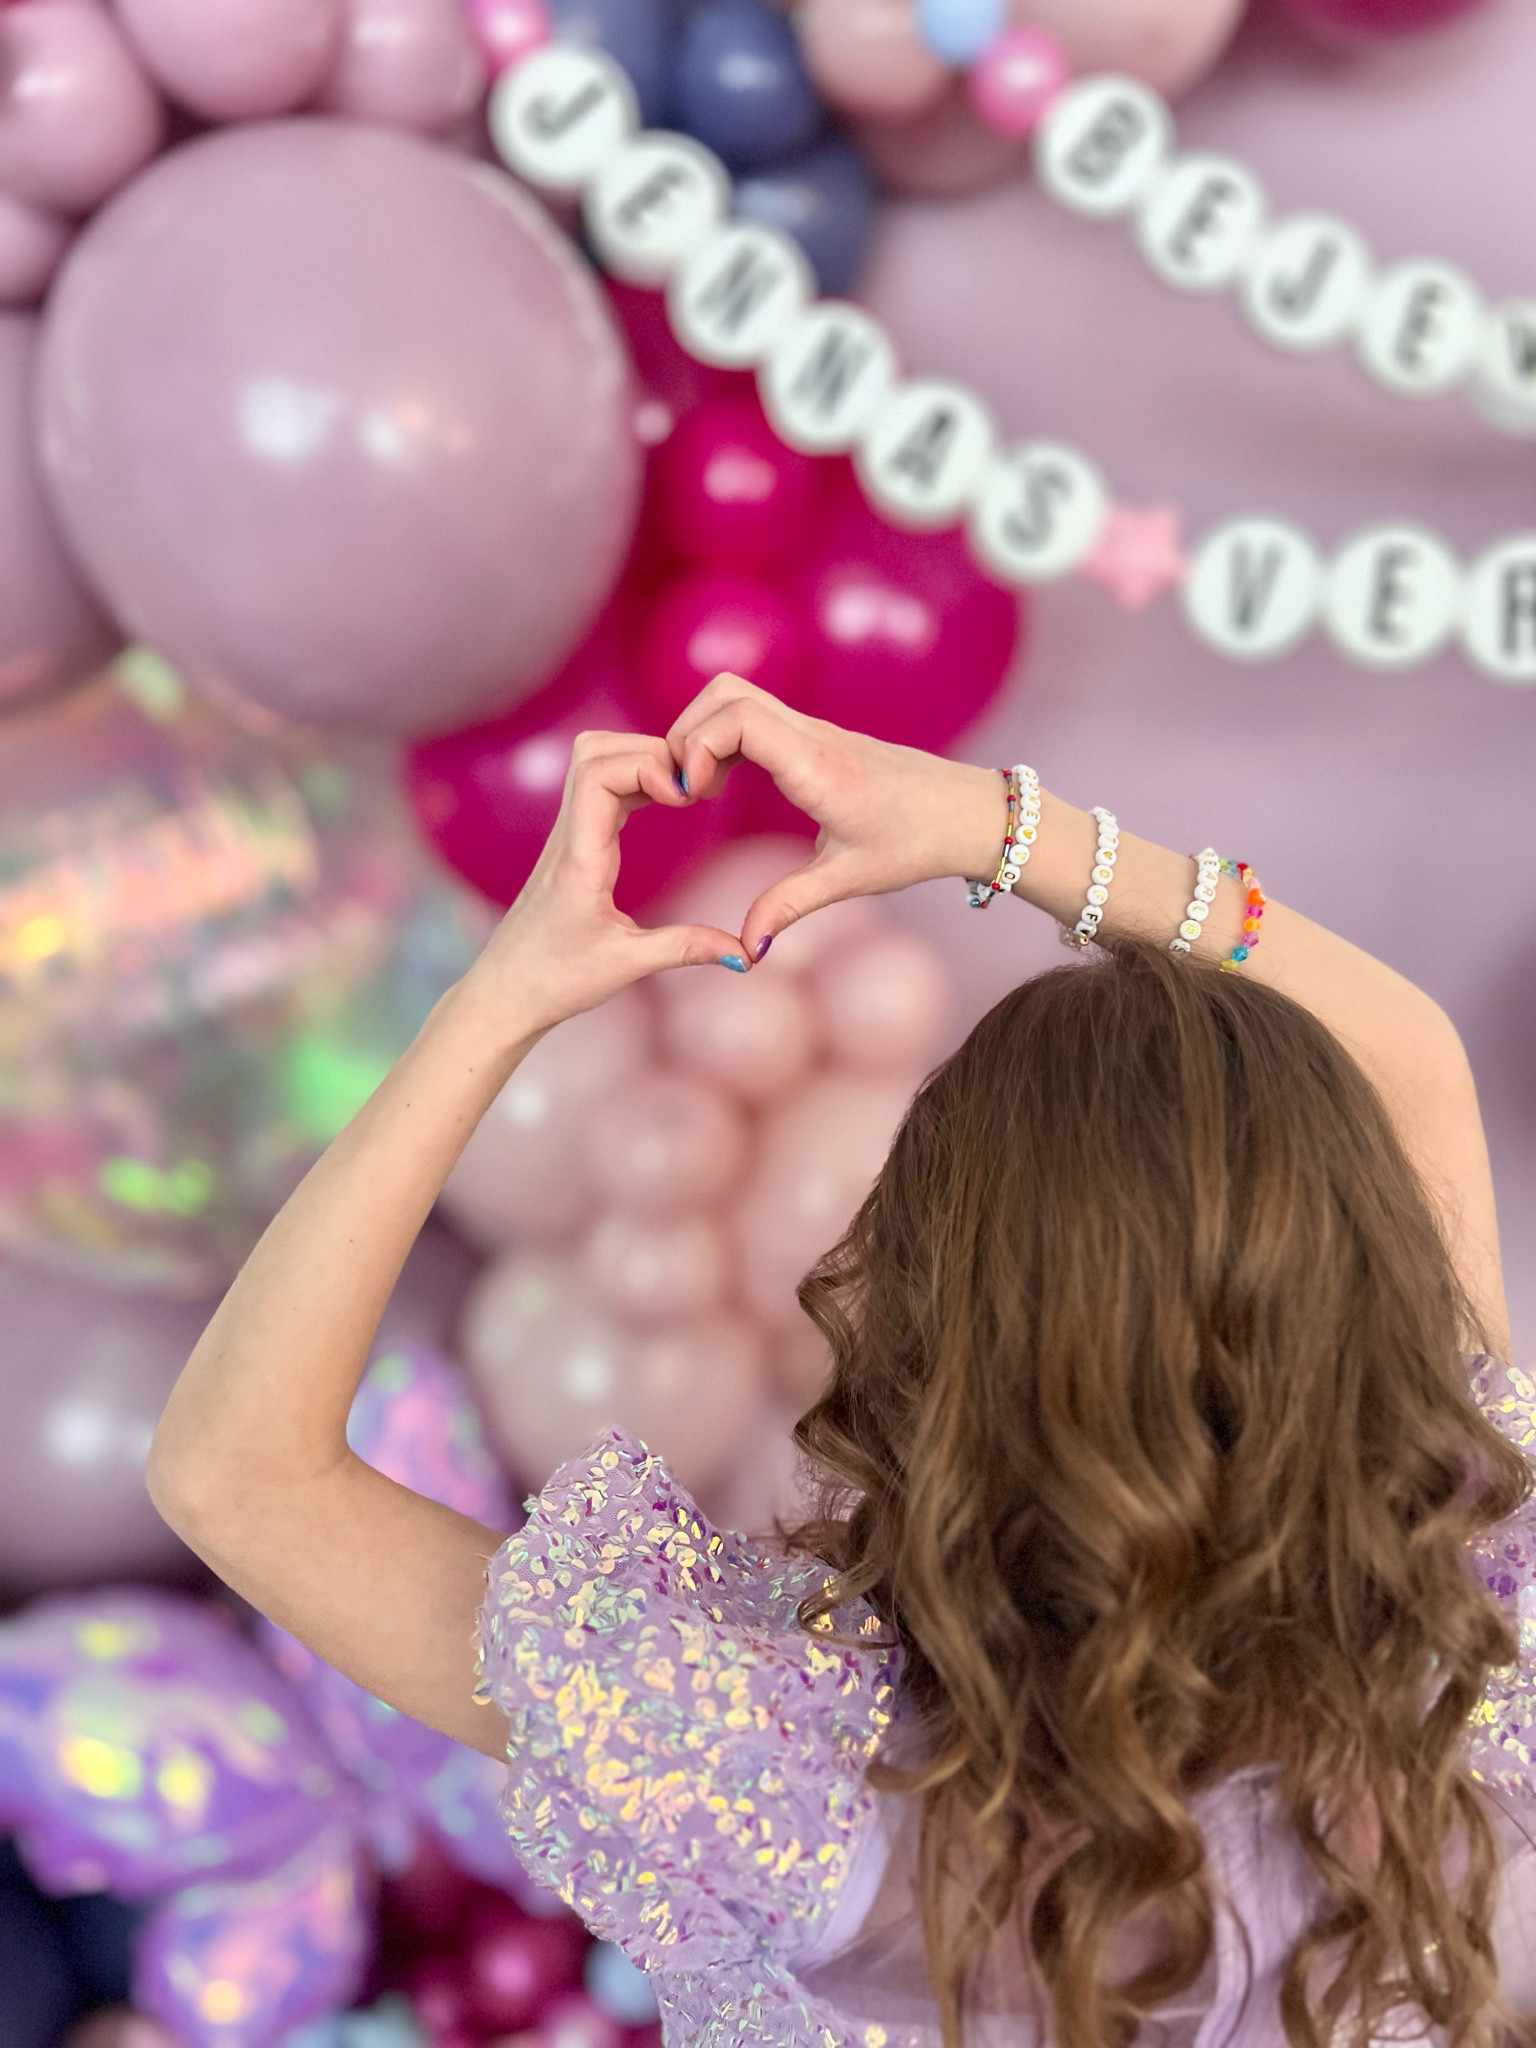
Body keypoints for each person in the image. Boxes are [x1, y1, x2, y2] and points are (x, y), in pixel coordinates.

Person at [148, 674, 1536, 2048]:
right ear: (1359, 1297)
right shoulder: (1471, 1630)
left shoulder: (771, 1773)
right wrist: (994, 828)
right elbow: (1406, 1055)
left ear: (935, 1301)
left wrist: (505, 995)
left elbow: (232, 1469)